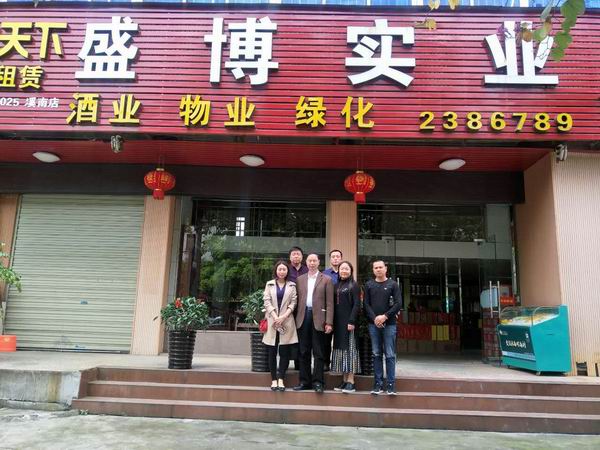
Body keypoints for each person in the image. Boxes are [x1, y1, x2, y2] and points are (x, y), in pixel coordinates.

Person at [293, 253, 334, 393]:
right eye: (309, 261)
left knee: (319, 352)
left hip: (319, 319)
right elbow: (296, 300)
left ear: (318, 262)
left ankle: (318, 382)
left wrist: (329, 322)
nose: (312, 263)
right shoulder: (300, 279)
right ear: (306, 262)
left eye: (314, 260)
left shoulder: (326, 279)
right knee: (303, 351)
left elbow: (330, 303)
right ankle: (304, 382)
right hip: (303, 317)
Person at [364, 260, 402, 395]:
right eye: (376, 268)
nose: (378, 269)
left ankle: (391, 384)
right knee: (376, 353)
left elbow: (398, 304)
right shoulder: (369, 285)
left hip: (389, 324)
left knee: (390, 354)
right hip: (373, 324)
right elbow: (366, 304)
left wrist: (385, 316)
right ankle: (378, 384)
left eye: (380, 267)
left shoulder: (393, 284)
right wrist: (375, 318)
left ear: (386, 268)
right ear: (373, 270)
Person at [262, 260, 298, 391]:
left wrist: (283, 316)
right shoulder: (269, 284)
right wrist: (275, 316)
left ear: (287, 271)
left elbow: (293, 302)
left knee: (284, 352)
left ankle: (281, 379)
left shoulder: (292, 285)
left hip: (286, 321)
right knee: (271, 351)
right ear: (276, 271)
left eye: (284, 269)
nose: (282, 272)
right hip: (272, 321)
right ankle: (273, 380)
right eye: (279, 269)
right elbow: (266, 301)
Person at [331, 261, 361, 393]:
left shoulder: (354, 285)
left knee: (350, 350)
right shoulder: (336, 285)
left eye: (346, 269)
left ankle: (351, 381)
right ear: (338, 271)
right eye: (342, 269)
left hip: (349, 323)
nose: (344, 271)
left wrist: (352, 321)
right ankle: (344, 380)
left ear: (351, 271)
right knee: (341, 350)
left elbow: (357, 305)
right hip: (338, 324)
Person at [322, 249, 342, 371]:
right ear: (330, 259)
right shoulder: (324, 274)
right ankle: (325, 362)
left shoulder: (345, 272)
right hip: (328, 310)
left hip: (341, 310)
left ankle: (337, 363)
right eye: (333, 256)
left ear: (341, 258)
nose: (335, 258)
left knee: (340, 339)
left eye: (337, 256)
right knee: (326, 339)